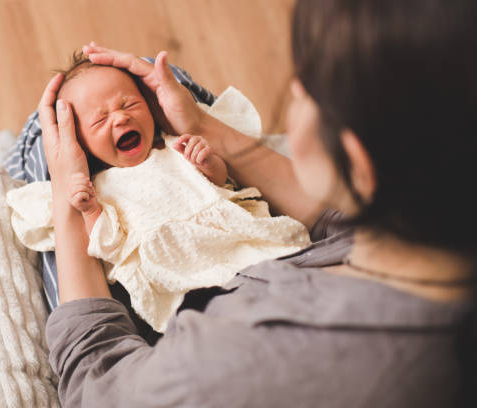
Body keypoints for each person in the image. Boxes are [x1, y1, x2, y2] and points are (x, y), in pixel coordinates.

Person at [39, 0, 477, 406]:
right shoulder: (429, 246)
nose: (292, 90)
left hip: (182, 288)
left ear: (357, 160)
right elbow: (346, 227)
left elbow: (97, 381)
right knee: (175, 82)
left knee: (35, 136)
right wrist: (202, 126)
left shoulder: (240, 356)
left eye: (304, 89)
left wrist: (65, 190)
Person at [8, 52, 310, 332]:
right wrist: (89, 211)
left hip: (232, 241)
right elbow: (109, 245)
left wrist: (207, 162)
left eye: (129, 104)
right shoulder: (100, 187)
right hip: (177, 274)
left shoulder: (174, 146)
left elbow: (224, 187)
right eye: (100, 120)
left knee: (277, 266)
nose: (120, 118)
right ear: (81, 144)